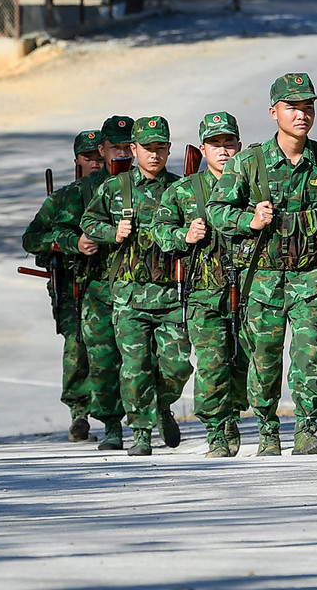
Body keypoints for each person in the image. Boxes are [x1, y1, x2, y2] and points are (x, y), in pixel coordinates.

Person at [210, 74, 317, 456]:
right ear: (274, 112)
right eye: (293, 107)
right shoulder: (249, 162)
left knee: (309, 350)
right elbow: (216, 211)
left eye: (308, 107)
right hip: (262, 278)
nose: (302, 114)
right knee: (264, 355)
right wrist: (250, 220)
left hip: (310, 275)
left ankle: (307, 429)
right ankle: (266, 429)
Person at [81, 115, 191, 457]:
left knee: (177, 365)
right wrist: (111, 234)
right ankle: (141, 430)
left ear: (169, 149)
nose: (154, 155)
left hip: (170, 295)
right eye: (147, 148)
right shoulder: (116, 188)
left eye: (161, 148)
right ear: (134, 149)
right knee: (135, 366)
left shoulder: (181, 188)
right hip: (129, 295)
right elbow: (88, 221)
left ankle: (162, 405)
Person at [153, 111, 249, 457]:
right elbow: (159, 232)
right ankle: (215, 429)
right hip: (203, 292)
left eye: (228, 143)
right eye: (214, 144)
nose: (223, 151)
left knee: (243, 360)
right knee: (211, 361)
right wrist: (185, 235)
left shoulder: (253, 185)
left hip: (249, 291)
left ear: (239, 146)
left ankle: (232, 414)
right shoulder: (184, 190)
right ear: (203, 149)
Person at [23, 129, 109, 441]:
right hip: (72, 283)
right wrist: (66, 243)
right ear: (78, 160)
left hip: (108, 281)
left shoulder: (118, 191)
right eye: (88, 158)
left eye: (99, 157)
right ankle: (79, 412)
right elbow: (31, 239)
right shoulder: (64, 198)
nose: (95, 163)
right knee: (76, 344)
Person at [80, 114, 137, 447]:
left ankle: (154, 412)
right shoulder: (86, 189)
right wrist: (74, 242)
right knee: (103, 362)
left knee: (150, 359)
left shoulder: (157, 185)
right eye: (114, 147)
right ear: (101, 149)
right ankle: (113, 425)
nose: (121, 154)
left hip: (145, 288)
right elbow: (39, 235)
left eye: (126, 146)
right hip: (101, 288)